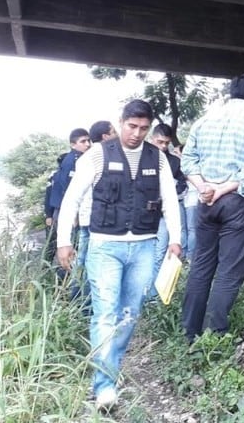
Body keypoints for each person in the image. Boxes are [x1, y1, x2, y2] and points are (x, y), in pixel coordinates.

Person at [56, 99, 181, 411]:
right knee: (106, 313)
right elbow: (72, 199)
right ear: (121, 122)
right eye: (131, 126)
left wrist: (176, 240)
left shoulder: (158, 159)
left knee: (129, 315)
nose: (137, 133)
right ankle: (105, 386)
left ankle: (108, 368)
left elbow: (170, 200)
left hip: (144, 246)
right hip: (103, 246)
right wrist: (63, 241)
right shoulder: (97, 155)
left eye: (143, 128)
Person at [180, 73, 244, 342]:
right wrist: (222, 189)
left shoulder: (204, 120)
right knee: (230, 270)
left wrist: (204, 187)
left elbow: (188, 161)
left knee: (201, 265)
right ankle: (214, 334)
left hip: (205, 203)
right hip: (238, 202)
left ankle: (189, 332)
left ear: (231, 93)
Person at [69, 120, 118, 309]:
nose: (117, 134)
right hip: (98, 218)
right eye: (114, 131)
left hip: (85, 217)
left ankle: (76, 300)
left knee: (82, 260)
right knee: (95, 262)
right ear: (106, 136)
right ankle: (88, 305)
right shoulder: (106, 156)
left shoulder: (84, 158)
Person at [149, 123, 187, 298]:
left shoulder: (174, 162)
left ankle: (154, 296)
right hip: (142, 215)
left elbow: (183, 186)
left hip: (164, 214)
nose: (163, 146)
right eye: (160, 142)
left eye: (166, 143)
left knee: (160, 254)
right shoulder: (141, 157)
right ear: (152, 138)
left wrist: (170, 194)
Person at [45, 129, 91, 267]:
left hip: (63, 210)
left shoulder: (79, 159)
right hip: (67, 211)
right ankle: (67, 280)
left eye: (89, 141)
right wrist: (74, 215)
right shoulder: (74, 161)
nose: (88, 144)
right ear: (73, 144)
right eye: (83, 141)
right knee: (71, 246)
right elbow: (68, 190)